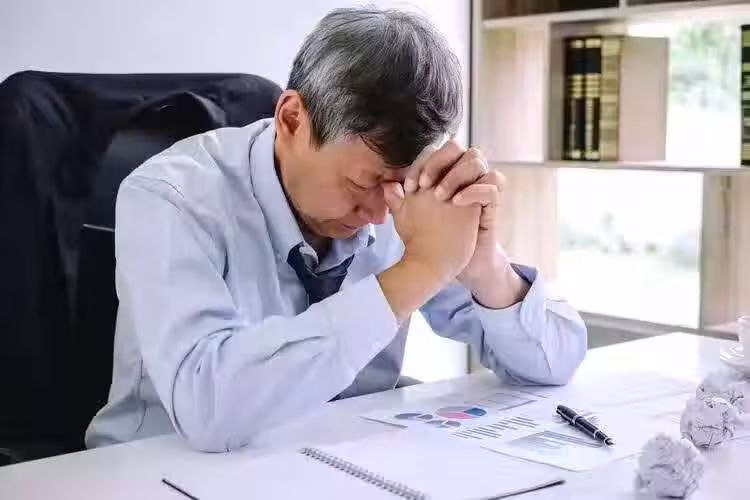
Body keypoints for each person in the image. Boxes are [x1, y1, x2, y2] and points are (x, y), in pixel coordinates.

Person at [86, 7, 587, 452]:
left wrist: (483, 265)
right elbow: (208, 409)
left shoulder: (403, 199)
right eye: (362, 183)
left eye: (400, 186)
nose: (380, 215)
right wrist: (419, 270)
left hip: (337, 460)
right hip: (160, 469)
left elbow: (556, 362)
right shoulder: (170, 197)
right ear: (291, 119)